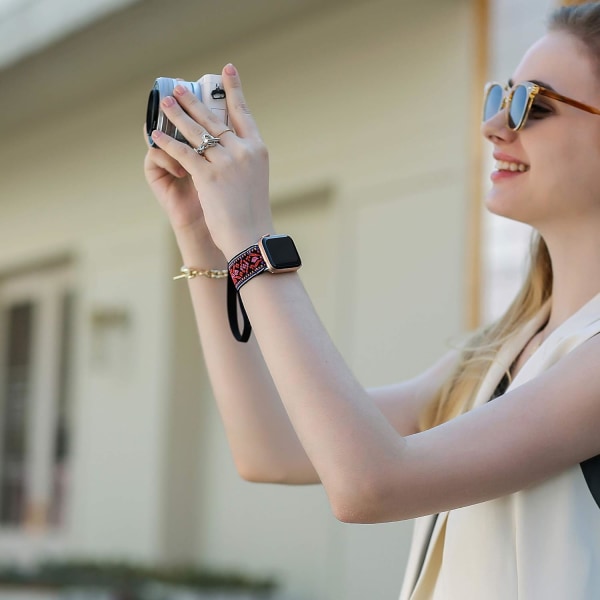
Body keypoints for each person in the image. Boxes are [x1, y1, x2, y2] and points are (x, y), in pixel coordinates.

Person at [143, 2, 600, 597]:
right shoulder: (502, 347)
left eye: (531, 104)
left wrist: (254, 240)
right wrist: (204, 239)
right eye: (497, 96)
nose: (493, 126)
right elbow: (270, 447)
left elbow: (370, 483)